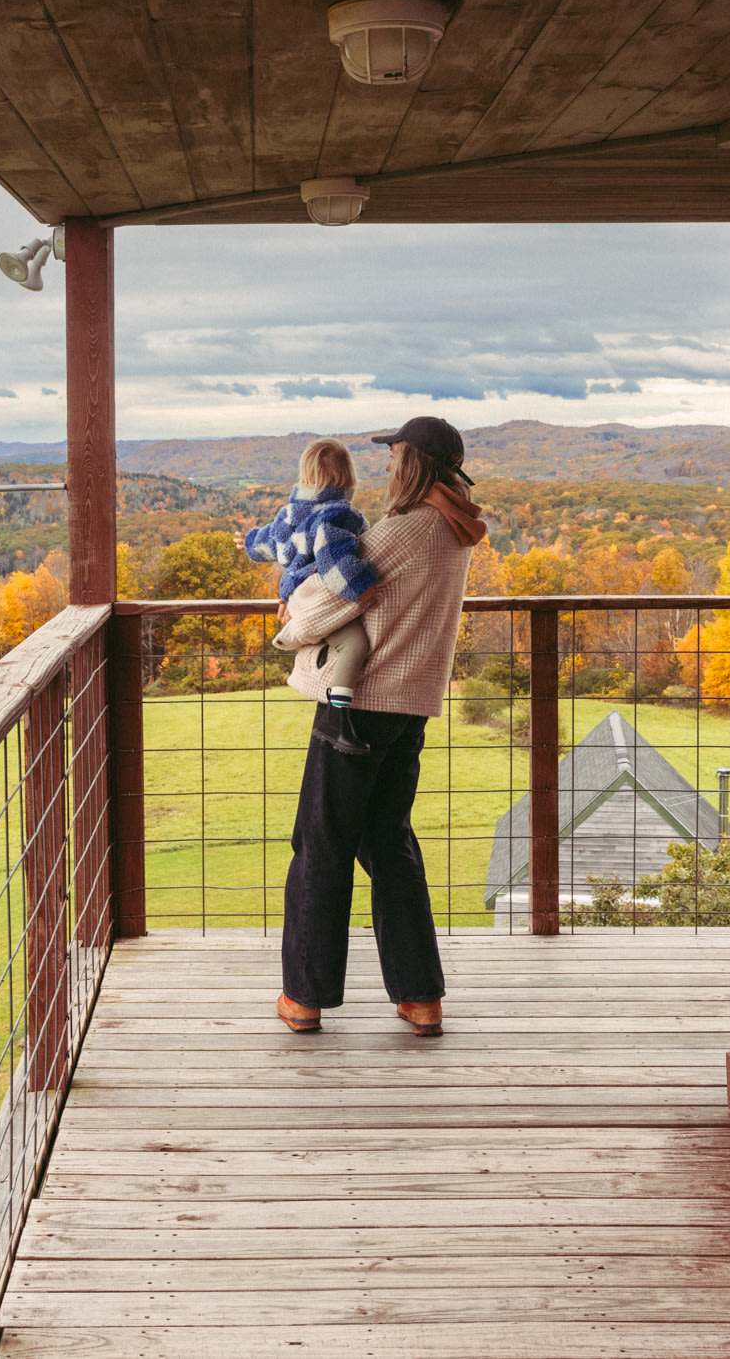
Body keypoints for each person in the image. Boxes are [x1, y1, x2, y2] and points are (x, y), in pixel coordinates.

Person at [269, 416, 486, 1040]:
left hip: (359, 702)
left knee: (321, 842)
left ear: (412, 462)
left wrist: (288, 618)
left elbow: (330, 600)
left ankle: (304, 997)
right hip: (410, 705)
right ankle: (420, 998)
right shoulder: (454, 526)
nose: (386, 467)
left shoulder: (406, 529)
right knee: (386, 841)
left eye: (393, 456)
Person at [240, 438, 378, 756]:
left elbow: (271, 542)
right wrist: (362, 585)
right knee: (354, 644)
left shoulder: (291, 515)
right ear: (348, 479)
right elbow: (331, 558)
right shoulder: (338, 515)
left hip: (294, 592)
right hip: (314, 595)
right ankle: (338, 721)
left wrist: (247, 542)